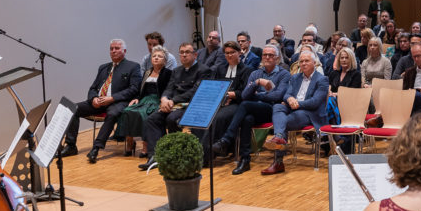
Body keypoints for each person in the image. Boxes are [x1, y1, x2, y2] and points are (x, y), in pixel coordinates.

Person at [213, 45, 290, 175]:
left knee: (245, 105)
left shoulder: (284, 74)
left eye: (271, 55)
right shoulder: (256, 73)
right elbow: (244, 94)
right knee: (247, 119)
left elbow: (278, 96)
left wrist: (257, 95)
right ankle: (245, 160)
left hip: (272, 111)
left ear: (277, 58)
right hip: (254, 109)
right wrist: (257, 82)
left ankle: (226, 139)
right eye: (265, 54)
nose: (267, 57)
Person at [62, 39, 142, 162]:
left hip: (117, 102)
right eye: (111, 49)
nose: (113, 51)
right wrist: (93, 98)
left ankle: (96, 148)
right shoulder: (103, 67)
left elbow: (134, 89)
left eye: (117, 48)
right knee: (72, 108)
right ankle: (71, 146)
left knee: (112, 114)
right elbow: (93, 88)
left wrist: (112, 98)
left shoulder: (133, 66)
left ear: (124, 51)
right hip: (99, 102)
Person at [139, 43, 206, 170]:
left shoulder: (204, 70)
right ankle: (155, 156)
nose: (184, 55)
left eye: (187, 52)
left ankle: (177, 155)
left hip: (190, 106)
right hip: (172, 105)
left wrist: (172, 101)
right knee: (152, 119)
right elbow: (169, 88)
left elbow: (195, 92)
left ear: (195, 54)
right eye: (181, 52)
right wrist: (164, 99)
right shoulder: (176, 71)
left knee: (171, 119)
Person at [261, 51, 328, 175]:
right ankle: (279, 138)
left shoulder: (322, 79)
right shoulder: (295, 77)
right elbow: (287, 94)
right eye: (301, 61)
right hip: (293, 107)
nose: (303, 63)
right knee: (277, 107)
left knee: (283, 122)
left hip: (310, 113)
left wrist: (297, 103)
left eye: (306, 61)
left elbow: (315, 102)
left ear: (314, 63)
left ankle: (278, 162)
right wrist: (289, 99)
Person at [118, 45, 171, 159]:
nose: (156, 58)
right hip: (144, 100)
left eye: (159, 56)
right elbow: (140, 88)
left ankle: (145, 146)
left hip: (158, 100)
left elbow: (169, 90)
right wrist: (136, 98)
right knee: (127, 111)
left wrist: (164, 101)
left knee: (145, 115)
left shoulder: (168, 73)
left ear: (165, 60)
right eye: (154, 56)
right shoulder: (147, 72)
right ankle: (130, 143)